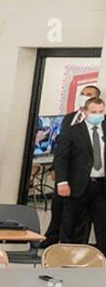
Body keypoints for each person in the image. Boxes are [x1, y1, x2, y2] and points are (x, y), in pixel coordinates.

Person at [47, 84, 101, 246]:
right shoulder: (69, 118)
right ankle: (52, 240)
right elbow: (61, 148)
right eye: (83, 94)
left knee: (80, 221)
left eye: (89, 94)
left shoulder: (100, 125)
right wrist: (55, 169)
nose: (84, 96)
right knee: (59, 211)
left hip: (89, 179)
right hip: (66, 176)